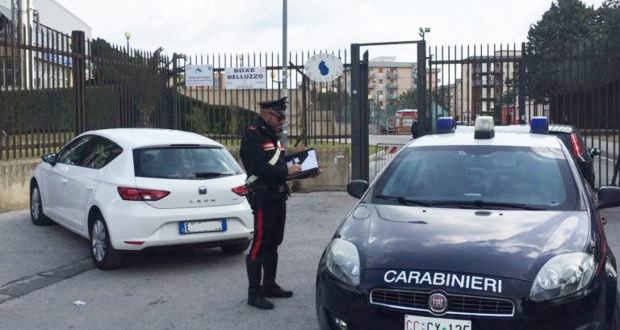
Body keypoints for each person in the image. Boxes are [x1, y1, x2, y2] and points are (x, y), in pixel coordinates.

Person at [239, 97, 302, 310]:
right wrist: (286, 171)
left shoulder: (273, 136)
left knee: (274, 241)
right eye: (279, 117)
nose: (281, 121)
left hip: (278, 195)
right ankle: (253, 293)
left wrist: (305, 171)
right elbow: (258, 167)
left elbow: (281, 164)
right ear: (267, 114)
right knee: (259, 244)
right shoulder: (253, 135)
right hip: (263, 196)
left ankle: (269, 284)